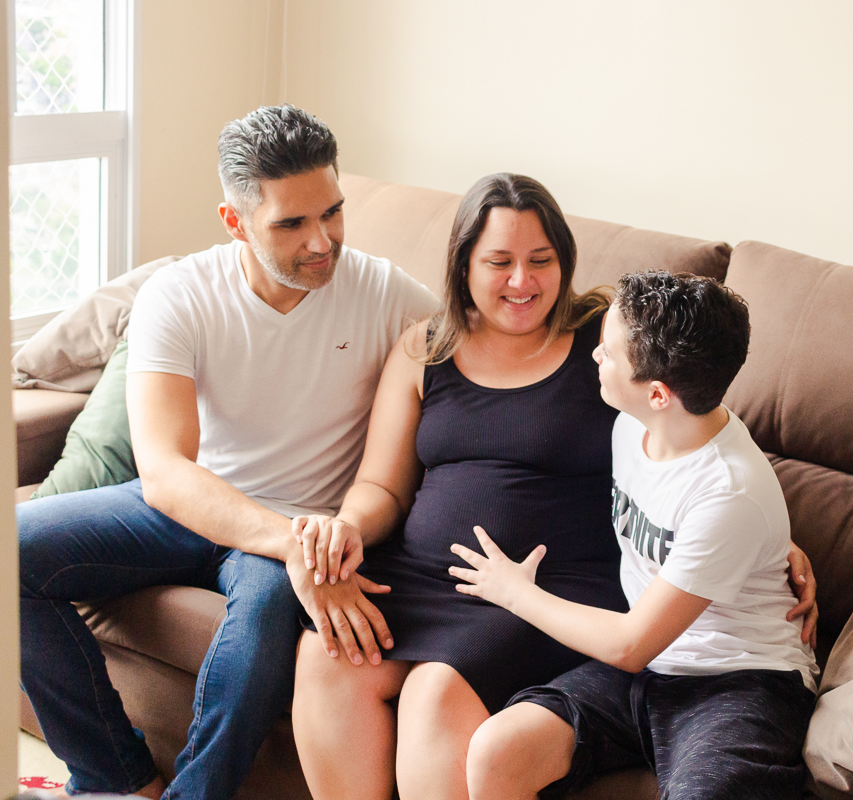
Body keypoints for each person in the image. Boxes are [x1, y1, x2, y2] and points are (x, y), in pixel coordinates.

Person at [289, 175, 818, 800]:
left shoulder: (605, 339)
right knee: (325, 657)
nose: (522, 281)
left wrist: (775, 543)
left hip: (553, 583)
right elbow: (381, 483)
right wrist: (348, 525)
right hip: (433, 575)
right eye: (499, 262)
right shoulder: (424, 347)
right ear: (463, 266)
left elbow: (693, 417)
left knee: (434, 690)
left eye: (541, 260)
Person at [17, 104, 438, 800]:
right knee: (1, 553)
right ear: (234, 221)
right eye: (292, 223)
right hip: (197, 507)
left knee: (265, 624)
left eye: (332, 212)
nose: (323, 241)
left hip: (306, 523)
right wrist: (298, 547)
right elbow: (166, 472)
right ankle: (116, 778)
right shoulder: (180, 296)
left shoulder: (387, 294)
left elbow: (486, 346)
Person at [454, 271, 820, 800]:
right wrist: (772, 543)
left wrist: (516, 592)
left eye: (607, 352)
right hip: (650, 668)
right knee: (496, 750)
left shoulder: (731, 495)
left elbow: (628, 643)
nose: (595, 358)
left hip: (738, 678)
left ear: (658, 393)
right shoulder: (634, 422)